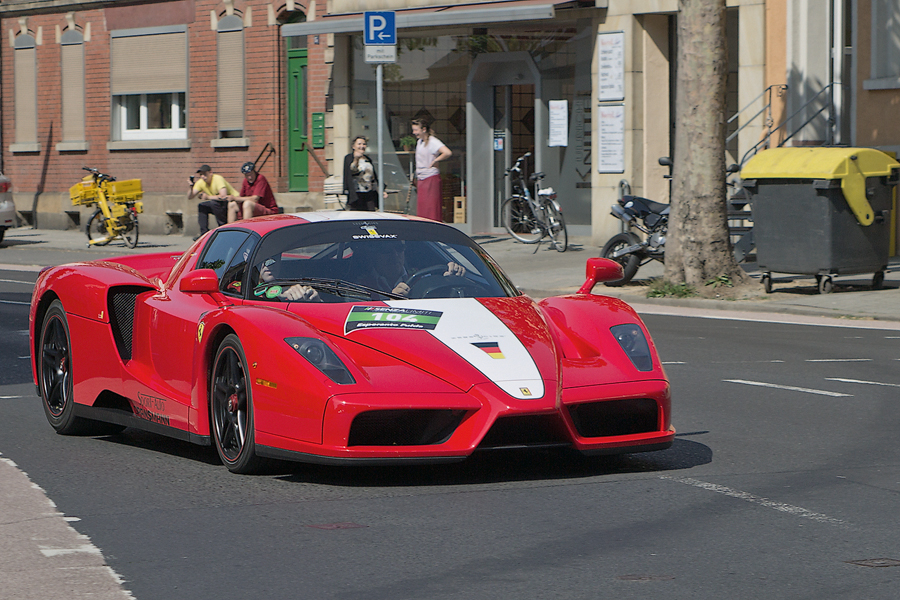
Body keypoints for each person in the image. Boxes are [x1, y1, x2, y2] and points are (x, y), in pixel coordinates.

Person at [354, 240, 465, 298]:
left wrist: (451, 275)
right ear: (374, 255)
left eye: (399, 248)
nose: (395, 254)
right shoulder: (361, 285)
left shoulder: (421, 276)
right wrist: (390, 303)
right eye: (386, 250)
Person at [410, 118, 452, 222]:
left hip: (431, 178)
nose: (414, 133)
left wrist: (436, 160)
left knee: (431, 208)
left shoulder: (433, 142)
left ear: (423, 129)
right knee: (423, 208)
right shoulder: (420, 142)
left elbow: (447, 152)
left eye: (416, 130)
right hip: (421, 178)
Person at [189, 165, 239, 239]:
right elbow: (190, 197)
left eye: (205, 174)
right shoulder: (201, 182)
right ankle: (204, 233)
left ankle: (223, 228)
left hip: (232, 203)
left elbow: (223, 196)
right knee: (202, 206)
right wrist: (191, 187)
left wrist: (208, 197)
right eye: (201, 175)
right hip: (218, 204)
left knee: (214, 203)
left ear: (210, 173)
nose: (203, 177)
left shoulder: (218, 179)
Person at [342, 136, 385, 211]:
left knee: (371, 214)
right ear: (353, 146)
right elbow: (352, 170)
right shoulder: (349, 158)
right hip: (357, 193)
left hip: (369, 192)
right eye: (359, 144)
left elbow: (373, 177)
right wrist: (356, 159)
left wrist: (381, 190)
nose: (362, 146)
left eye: (364, 144)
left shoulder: (367, 159)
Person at [256, 254, 321, 302]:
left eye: (274, 260)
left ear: (280, 261)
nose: (270, 266)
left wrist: (314, 299)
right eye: (264, 260)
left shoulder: (292, 286)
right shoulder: (248, 288)